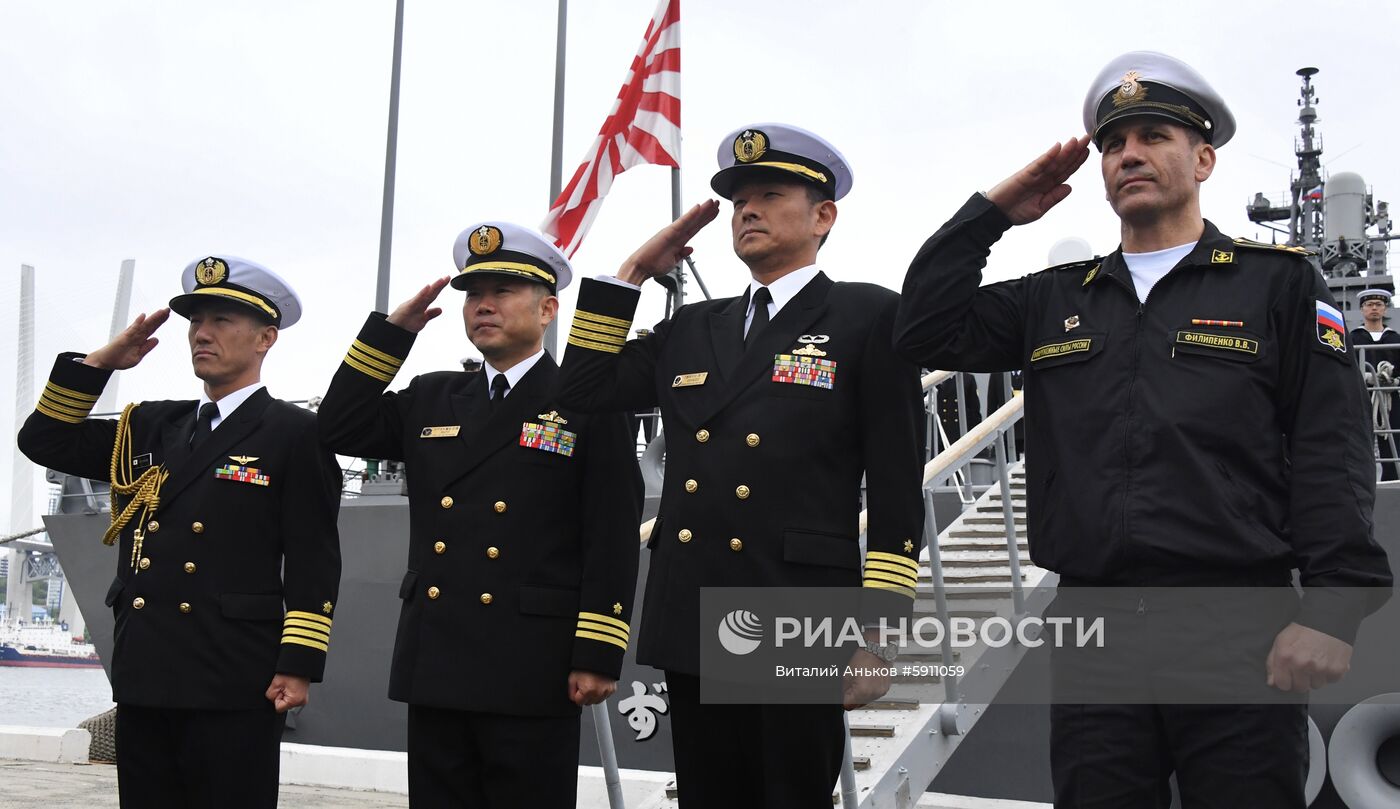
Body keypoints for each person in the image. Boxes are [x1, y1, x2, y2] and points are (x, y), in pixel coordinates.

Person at [893, 52, 1393, 808]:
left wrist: (1331, 608)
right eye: (1112, 144)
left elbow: (1332, 446)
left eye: (1153, 135)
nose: (1129, 155)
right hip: (1095, 630)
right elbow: (924, 328)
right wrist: (994, 211)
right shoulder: (1056, 298)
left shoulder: (1279, 283)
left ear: (1203, 157)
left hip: (1237, 624)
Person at [556, 123, 926, 808]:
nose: (746, 209)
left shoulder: (867, 315)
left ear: (823, 216)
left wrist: (880, 632)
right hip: (694, 605)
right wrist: (630, 276)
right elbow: (580, 392)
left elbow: (899, 484)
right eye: (737, 200)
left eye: (768, 193)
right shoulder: (696, 327)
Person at [316, 222, 642, 808]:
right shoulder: (435, 395)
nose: (483, 305)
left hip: (531, 657)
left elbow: (612, 532)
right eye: (473, 295)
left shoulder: (584, 400)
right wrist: (393, 335)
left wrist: (598, 651)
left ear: (547, 310)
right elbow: (339, 425)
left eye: (502, 292)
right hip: (437, 654)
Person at [18, 256, 342, 809]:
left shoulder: (295, 433)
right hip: (147, 666)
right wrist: (99, 365)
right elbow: (43, 441)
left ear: (266, 339)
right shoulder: (150, 425)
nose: (202, 334)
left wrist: (299, 663)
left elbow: (314, 557)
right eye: (196, 322)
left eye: (221, 322)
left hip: (234, 671)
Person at [1351, 288, 1400, 480]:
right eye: (1369, 305)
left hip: (1390, 398)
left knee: (1393, 437)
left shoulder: (1395, 339)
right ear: (1362, 310)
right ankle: (1361, 479)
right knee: (1361, 438)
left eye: (1378, 305)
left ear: (1385, 310)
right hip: (1361, 396)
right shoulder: (1353, 338)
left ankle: (1393, 478)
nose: (1374, 308)